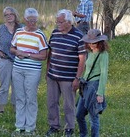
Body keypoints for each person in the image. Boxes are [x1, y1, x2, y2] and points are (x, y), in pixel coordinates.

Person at [45, 9, 86, 137]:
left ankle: (69, 128)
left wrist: (77, 78)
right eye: (57, 22)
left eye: (60, 22)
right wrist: (47, 71)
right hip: (53, 75)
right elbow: (50, 53)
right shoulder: (55, 33)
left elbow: (82, 59)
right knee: (52, 102)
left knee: (69, 104)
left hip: (68, 77)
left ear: (69, 22)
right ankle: (54, 126)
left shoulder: (79, 36)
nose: (58, 24)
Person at [10, 8, 49, 135]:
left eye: (35, 21)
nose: (33, 23)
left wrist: (26, 55)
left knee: (30, 97)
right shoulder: (19, 32)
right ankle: (19, 125)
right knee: (20, 97)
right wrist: (17, 52)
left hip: (33, 70)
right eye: (30, 20)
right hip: (17, 68)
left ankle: (30, 127)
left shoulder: (40, 35)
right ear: (25, 20)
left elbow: (43, 56)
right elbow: (12, 48)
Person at [76, 29, 109, 137]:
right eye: (89, 42)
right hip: (86, 86)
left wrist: (100, 93)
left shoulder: (103, 54)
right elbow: (88, 70)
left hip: (95, 87)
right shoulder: (90, 53)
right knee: (79, 115)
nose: (91, 44)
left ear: (100, 42)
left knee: (93, 116)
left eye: (93, 42)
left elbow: (104, 74)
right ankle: (83, 134)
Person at [0, 7, 20, 114]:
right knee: (4, 86)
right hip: (5, 60)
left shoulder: (21, 28)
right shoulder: (0, 28)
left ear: (15, 15)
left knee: (17, 86)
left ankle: (16, 109)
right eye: (6, 15)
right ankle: (1, 109)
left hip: (19, 61)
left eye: (11, 14)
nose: (9, 16)